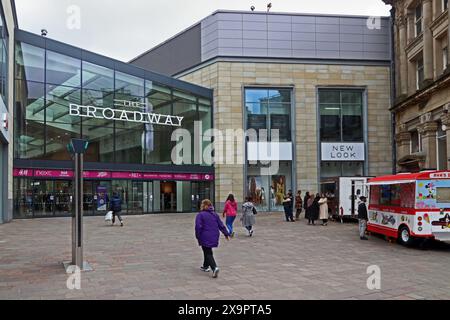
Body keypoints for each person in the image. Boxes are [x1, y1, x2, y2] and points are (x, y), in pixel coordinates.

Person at [195, 199, 230, 278]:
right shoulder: (215, 214)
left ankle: (214, 268)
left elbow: (198, 227)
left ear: (203, 205)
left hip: (204, 235)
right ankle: (205, 266)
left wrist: (197, 236)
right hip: (214, 235)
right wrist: (226, 234)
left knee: (207, 252)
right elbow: (221, 225)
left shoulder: (200, 215)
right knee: (207, 249)